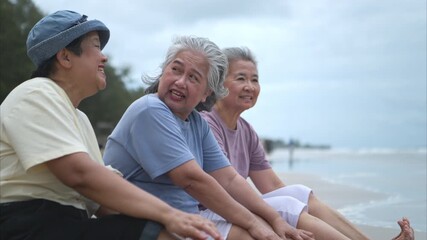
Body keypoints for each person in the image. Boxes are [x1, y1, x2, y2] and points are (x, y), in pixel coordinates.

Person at [0, 10, 221, 240]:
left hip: (65, 223)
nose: (104, 58)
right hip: (27, 224)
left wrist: (165, 221)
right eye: (96, 47)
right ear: (65, 57)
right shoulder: (36, 93)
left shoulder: (79, 119)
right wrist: (169, 215)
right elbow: (80, 174)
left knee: (157, 230)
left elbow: (100, 200)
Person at [103, 35, 316, 240]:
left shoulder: (196, 122)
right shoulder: (150, 110)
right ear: (163, 72)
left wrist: (274, 219)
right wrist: (253, 223)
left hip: (184, 217)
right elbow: (192, 180)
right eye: (175, 70)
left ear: (207, 93)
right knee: (250, 232)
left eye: (193, 77)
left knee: (278, 217)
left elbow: (230, 179)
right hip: (143, 224)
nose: (180, 82)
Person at [200, 46, 415, 240]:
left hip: (236, 204)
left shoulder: (246, 130)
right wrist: (285, 214)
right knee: (288, 204)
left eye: (254, 80)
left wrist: (301, 209)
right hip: (211, 207)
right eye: (241, 79)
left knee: (297, 194)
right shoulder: (207, 123)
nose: (250, 86)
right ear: (219, 83)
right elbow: (226, 186)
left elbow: (273, 186)